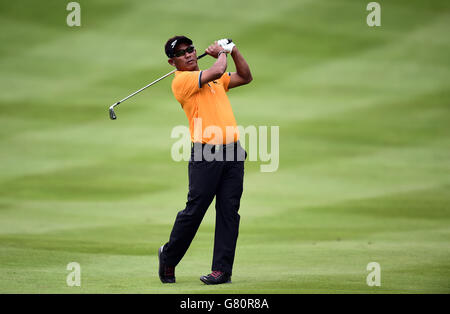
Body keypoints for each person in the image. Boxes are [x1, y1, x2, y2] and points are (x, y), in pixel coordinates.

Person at [158, 36, 252, 285]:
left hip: (233, 152)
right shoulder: (182, 81)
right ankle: (168, 257)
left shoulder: (213, 76)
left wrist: (233, 51)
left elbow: (245, 76)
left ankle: (222, 270)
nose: (188, 54)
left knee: (229, 212)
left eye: (190, 49)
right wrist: (221, 52)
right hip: (206, 154)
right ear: (172, 61)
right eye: (181, 53)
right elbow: (218, 69)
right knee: (195, 211)